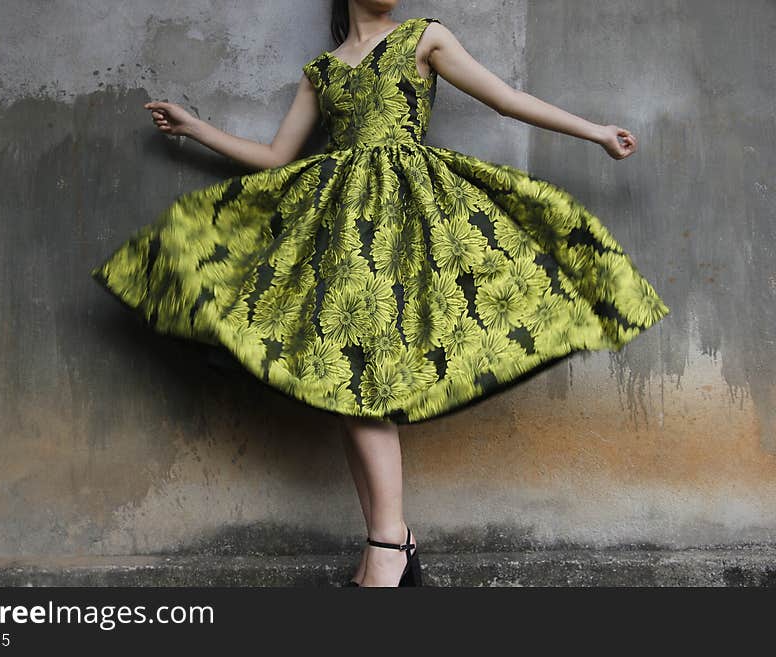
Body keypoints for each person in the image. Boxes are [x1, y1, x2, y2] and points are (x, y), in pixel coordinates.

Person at [90, 0, 670, 587]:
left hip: (408, 226)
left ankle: (387, 547)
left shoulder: (426, 37)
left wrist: (595, 132)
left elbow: (504, 98)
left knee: (366, 386)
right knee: (345, 384)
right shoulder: (323, 70)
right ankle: (392, 544)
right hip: (339, 234)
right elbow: (274, 158)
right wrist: (196, 128)